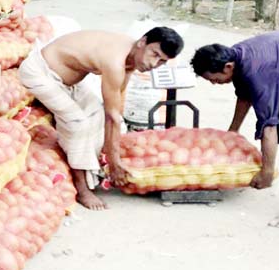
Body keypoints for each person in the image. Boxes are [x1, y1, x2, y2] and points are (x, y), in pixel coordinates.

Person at [19, 27, 184, 210]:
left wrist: (114, 151)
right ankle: (82, 190)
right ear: (142, 42)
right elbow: (112, 115)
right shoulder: (115, 60)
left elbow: (117, 106)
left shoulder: (131, 58)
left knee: (96, 114)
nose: (154, 63)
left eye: (162, 61)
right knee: (79, 124)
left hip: (69, 84)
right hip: (39, 73)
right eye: (154, 54)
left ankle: (93, 171)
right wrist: (114, 162)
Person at [191, 30, 279, 229]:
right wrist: (233, 131)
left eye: (214, 79)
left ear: (228, 67)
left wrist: (266, 172)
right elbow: (245, 95)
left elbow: (268, 125)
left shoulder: (256, 69)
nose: (215, 84)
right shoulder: (237, 57)